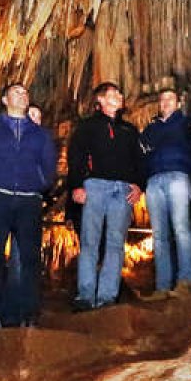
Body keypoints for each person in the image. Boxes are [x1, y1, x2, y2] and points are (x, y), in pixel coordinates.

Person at [0, 83, 57, 330]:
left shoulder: (40, 134)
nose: (23, 95)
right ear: (5, 99)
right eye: (17, 92)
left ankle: (27, 313)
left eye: (25, 92)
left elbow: (48, 165)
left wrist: (41, 186)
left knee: (30, 258)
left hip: (30, 199)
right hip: (0, 197)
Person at [67, 82, 144, 311]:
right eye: (113, 93)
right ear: (100, 100)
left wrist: (139, 185)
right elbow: (76, 157)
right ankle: (86, 294)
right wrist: (77, 186)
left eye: (120, 93)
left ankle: (108, 296)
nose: (119, 96)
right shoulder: (88, 127)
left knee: (115, 243)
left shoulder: (129, 130)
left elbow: (139, 161)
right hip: (95, 187)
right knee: (90, 241)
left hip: (122, 190)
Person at [139, 89, 191, 300]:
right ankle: (162, 286)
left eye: (169, 99)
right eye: (162, 99)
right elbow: (142, 148)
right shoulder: (152, 126)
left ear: (178, 103)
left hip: (177, 176)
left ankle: (185, 281)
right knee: (159, 234)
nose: (165, 102)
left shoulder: (184, 122)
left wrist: (156, 139)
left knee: (181, 229)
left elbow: (184, 139)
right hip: (154, 179)